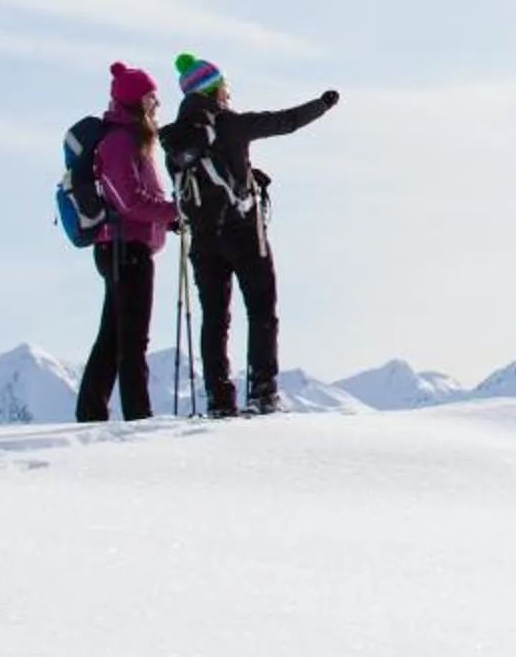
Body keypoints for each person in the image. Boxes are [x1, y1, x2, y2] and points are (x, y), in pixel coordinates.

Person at [164, 53, 339, 416]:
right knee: (260, 310)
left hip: (202, 240)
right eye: (225, 87)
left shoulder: (176, 140)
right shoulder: (231, 125)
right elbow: (286, 121)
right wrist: (323, 104)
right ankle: (262, 392)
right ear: (214, 90)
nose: (228, 94)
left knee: (215, 319)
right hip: (243, 231)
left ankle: (219, 398)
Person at [74, 62, 181, 424]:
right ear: (136, 101)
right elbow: (129, 201)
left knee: (115, 336)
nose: (157, 103)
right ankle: (138, 415)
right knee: (132, 339)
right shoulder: (120, 141)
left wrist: (169, 217)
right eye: (152, 97)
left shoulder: (130, 137)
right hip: (126, 248)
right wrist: (174, 212)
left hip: (123, 246)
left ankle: (92, 413)